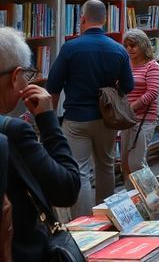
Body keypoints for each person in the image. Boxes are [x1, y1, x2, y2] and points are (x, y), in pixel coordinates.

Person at [46, 0, 133, 217]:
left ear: (82, 18)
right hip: (107, 119)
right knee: (105, 165)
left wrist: (49, 121)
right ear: (105, 19)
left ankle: (85, 223)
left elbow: (53, 86)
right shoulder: (118, 49)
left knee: (80, 170)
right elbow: (129, 86)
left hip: (76, 119)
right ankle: (106, 217)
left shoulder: (70, 48)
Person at [0, 28, 80, 260]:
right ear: (15, 76)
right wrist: (48, 120)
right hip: (21, 251)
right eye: (28, 74)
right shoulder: (13, 131)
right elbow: (66, 189)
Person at [120, 29, 159, 185]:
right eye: (126, 46)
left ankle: (153, 196)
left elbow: (152, 93)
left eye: (133, 45)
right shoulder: (125, 65)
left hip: (143, 119)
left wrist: (131, 108)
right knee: (125, 164)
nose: (129, 49)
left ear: (143, 46)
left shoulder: (152, 66)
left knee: (137, 163)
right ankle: (131, 199)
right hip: (126, 120)